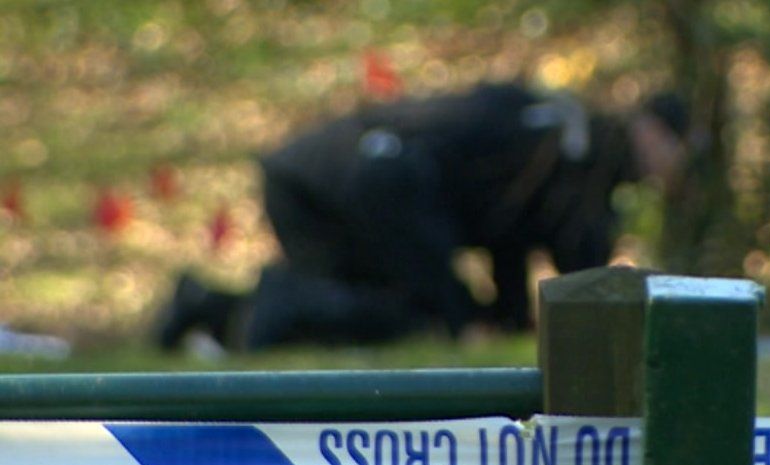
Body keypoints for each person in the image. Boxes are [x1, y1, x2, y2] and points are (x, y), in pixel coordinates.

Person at [155, 82, 688, 351]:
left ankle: (210, 306)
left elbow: (516, 230)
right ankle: (248, 311)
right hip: (330, 183)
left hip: (339, 178)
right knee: (405, 315)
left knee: (382, 312)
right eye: (677, 149)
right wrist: (462, 317)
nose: (676, 167)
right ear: (652, 132)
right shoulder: (563, 144)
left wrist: (504, 316)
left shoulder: (575, 152)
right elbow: (402, 186)